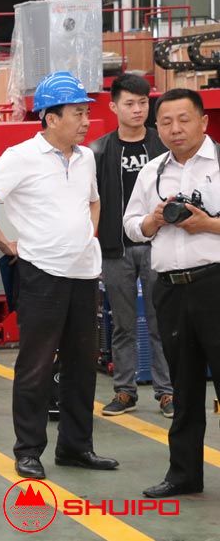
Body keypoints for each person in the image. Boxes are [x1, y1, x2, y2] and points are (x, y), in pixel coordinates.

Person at [0, 71, 119, 484]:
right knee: (36, 365)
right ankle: (28, 450)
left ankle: (76, 446)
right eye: (77, 113)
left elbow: (94, 202)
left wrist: (86, 236)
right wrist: (5, 243)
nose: (86, 121)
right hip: (41, 274)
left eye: (86, 112)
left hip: (84, 274)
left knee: (82, 365)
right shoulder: (20, 157)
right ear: (50, 117)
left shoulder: (85, 158)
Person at [123, 89, 220, 499]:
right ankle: (184, 474)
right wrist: (153, 220)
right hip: (170, 289)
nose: (175, 129)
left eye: (183, 119)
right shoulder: (152, 171)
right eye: (165, 122)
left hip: (215, 284)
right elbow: (130, 226)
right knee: (183, 385)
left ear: (204, 122)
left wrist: (207, 225)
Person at [89, 74, 172, 418]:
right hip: (116, 249)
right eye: (130, 103)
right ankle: (125, 391)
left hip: (158, 245)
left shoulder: (163, 147)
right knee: (122, 324)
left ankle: (167, 393)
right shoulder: (99, 151)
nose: (138, 109)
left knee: (161, 322)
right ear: (113, 107)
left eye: (143, 103)